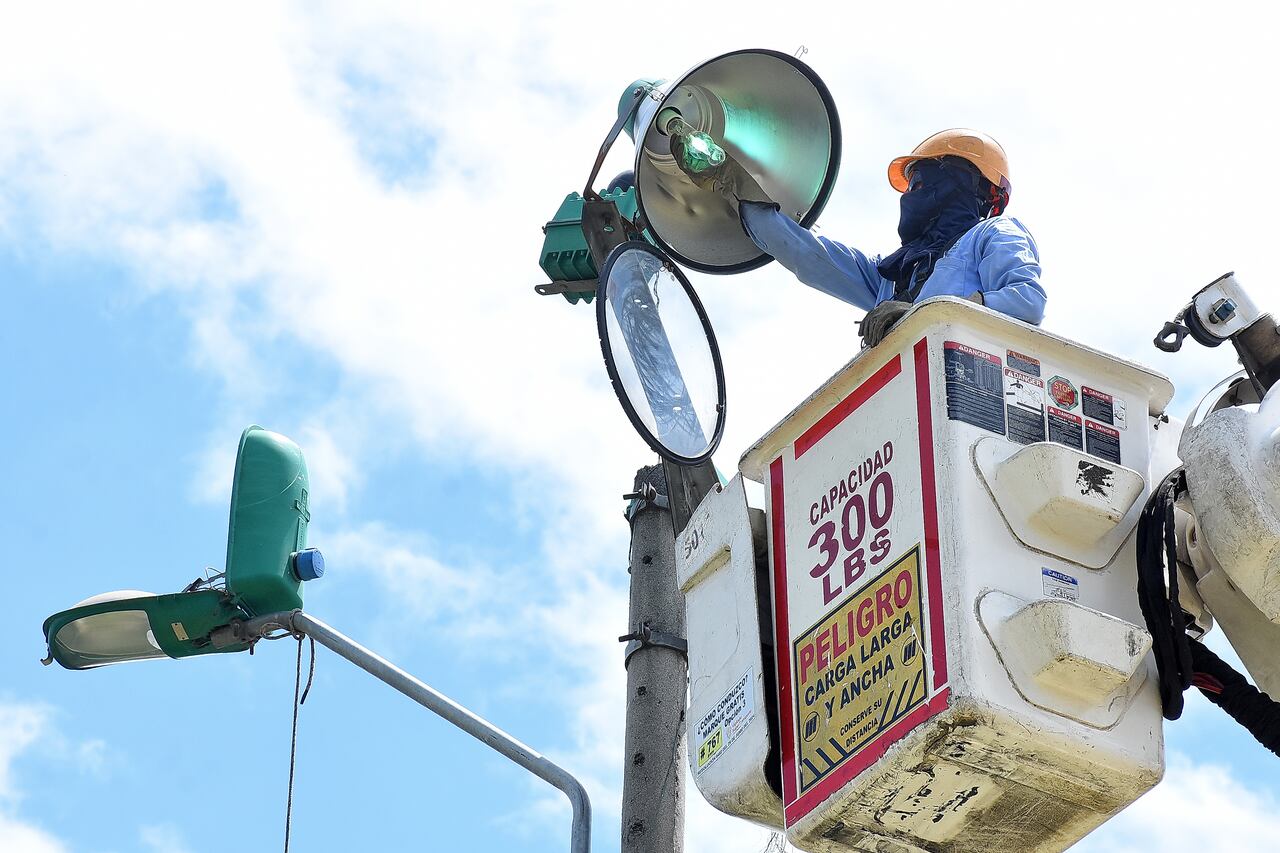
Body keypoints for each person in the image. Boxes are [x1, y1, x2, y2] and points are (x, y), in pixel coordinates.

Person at [673, 128, 1046, 346]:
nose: (911, 194)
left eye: (919, 182)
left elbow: (1027, 301)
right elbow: (806, 254)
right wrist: (729, 183)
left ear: (958, 181)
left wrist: (926, 316)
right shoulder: (892, 277)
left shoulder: (993, 234)